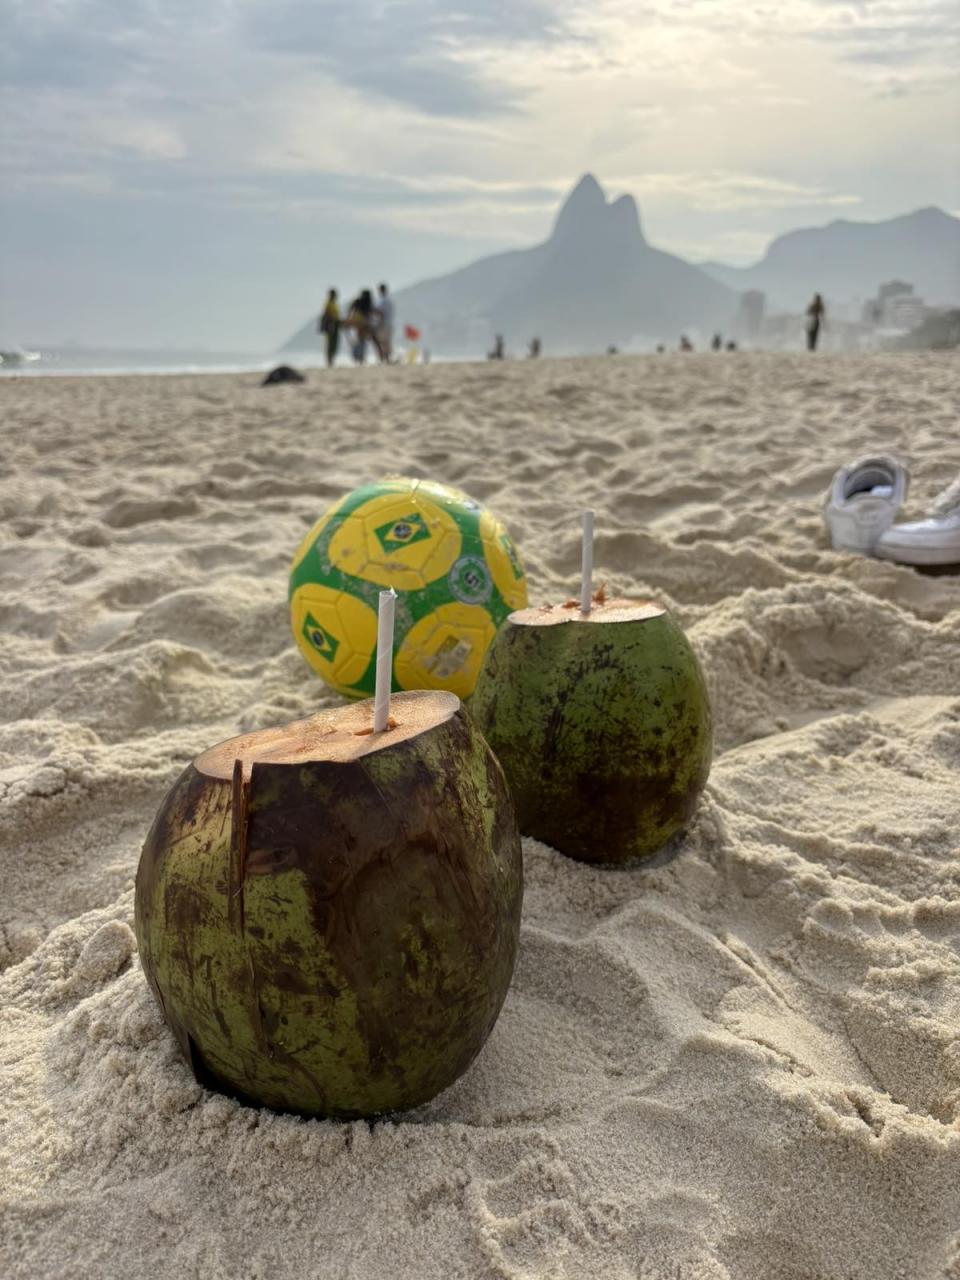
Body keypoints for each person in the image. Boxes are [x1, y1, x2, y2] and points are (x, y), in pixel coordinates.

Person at [345, 289, 383, 364]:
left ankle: (361, 359)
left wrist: (349, 320)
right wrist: (379, 321)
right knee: (374, 341)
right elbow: (373, 312)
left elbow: (350, 310)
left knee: (361, 341)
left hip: (358, 324)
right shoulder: (367, 303)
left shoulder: (358, 302)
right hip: (365, 324)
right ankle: (381, 357)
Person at [318, 288, 340, 367]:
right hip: (331, 324)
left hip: (335, 324)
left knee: (334, 343)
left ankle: (331, 360)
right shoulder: (328, 303)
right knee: (330, 343)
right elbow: (326, 314)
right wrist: (329, 324)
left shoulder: (335, 304)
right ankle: (329, 361)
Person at [376, 283, 395, 363]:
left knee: (383, 342)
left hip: (383, 324)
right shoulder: (389, 301)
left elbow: (380, 313)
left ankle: (385, 359)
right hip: (389, 324)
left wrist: (379, 324)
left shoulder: (382, 301)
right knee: (387, 342)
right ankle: (387, 359)